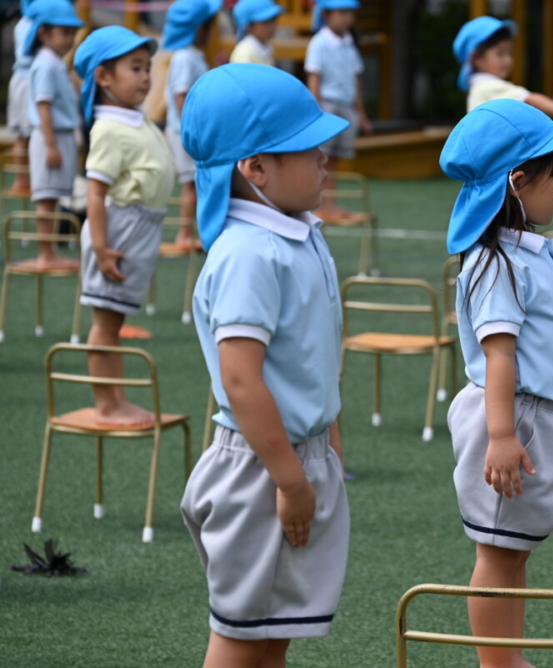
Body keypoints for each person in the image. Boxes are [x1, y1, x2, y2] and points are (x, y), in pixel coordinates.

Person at [179, 64, 351, 667]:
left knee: (273, 632)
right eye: (307, 148)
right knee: (242, 635)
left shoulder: (297, 232)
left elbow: (312, 357)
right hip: (261, 468)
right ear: (254, 169)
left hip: (293, 457)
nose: (325, 157)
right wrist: (290, 479)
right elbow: (240, 380)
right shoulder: (249, 252)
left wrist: (326, 444)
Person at [441, 98, 553, 668]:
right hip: (513, 417)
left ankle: (509, 655)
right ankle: (497, 663)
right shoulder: (495, 262)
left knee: (513, 551)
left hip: (532, 415)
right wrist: (502, 436)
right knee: (498, 554)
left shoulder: (520, 252)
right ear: (518, 181)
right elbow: (498, 355)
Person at [73, 27, 175, 426]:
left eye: (147, 67)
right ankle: (108, 403)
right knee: (105, 322)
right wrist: (100, 246)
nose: (146, 77)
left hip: (138, 228)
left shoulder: (134, 120)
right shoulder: (110, 128)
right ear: (103, 77)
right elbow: (95, 195)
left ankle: (116, 398)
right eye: (135, 68)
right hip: (119, 231)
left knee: (114, 321)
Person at [453, 15, 553, 135]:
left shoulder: (478, 87)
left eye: (509, 53)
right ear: (476, 58)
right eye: (500, 53)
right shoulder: (488, 85)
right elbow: (530, 99)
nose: (508, 60)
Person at [24, 0, 83, 270]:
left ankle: (49, 251)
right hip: (52, 136)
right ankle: (46, 253)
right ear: (43, 33)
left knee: (53, 196)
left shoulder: (55, 63)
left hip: (60, 136)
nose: (70, 39)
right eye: (64, 33)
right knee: (46, 198)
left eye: (72, 33)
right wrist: (50, 145)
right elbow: (43, 105)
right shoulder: (46, 65)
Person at [306, 0, 372, 221]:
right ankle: (321, 205)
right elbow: (314, 79)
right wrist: (315, 113)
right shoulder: (319, 42)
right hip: (327, 105)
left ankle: (329, 205)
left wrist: (361, 114)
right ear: (326, 14)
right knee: (323, 157)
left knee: (335, 160)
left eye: (349, 12)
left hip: (346, 107)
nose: (346, 17)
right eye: (341, 12)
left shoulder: (349, 42)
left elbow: (356, 80)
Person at [163, 0, 220, 250]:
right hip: (183, 131)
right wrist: (192, 130)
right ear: (199, 29)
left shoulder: (191, 55)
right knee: (191, 184)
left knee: (194, 183)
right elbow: (181, 96)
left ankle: (189, 231)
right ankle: (184, 233)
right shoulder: (186, 57)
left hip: (188, 130)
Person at [8, 0, 38, 194]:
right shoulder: (32, 24)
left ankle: (22, 179)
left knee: (23, 134)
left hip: (20, 80)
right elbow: (28, 56)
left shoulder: (23, 23)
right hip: (28, 81)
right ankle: (22, 180)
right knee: (28, 133)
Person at [229, 0, 283, 66]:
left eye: (273, 19)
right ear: (249, 26)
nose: (271, 26)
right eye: (265, 21)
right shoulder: (245, 53)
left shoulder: (266, 47)